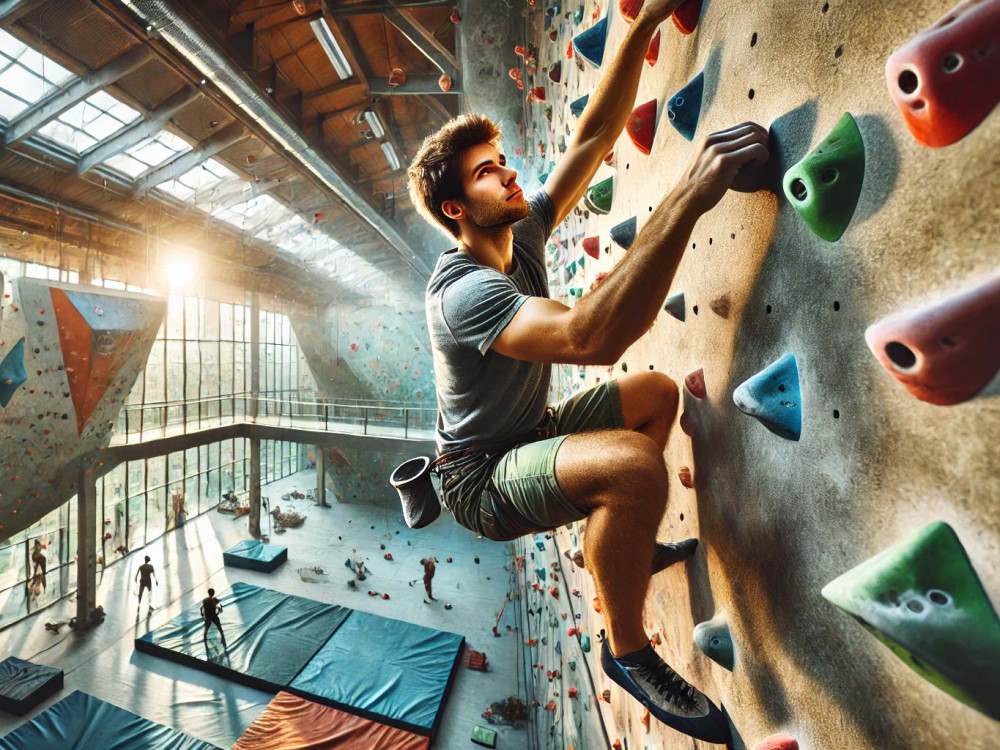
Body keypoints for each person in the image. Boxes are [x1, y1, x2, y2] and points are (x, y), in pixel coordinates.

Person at [406, 1, 769, 743]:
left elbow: (594, 137)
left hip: (525, 433)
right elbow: (587, 335)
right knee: (635, 468)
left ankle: (620, 549)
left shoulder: (520, 235)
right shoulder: (464, 292)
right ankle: (628, 650)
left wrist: (639, 28)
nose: (509, 174)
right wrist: (690, 194)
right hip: (478, 480)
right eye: (487, 173)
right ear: (457, 208)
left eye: (501, 160)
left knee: (655, 396)